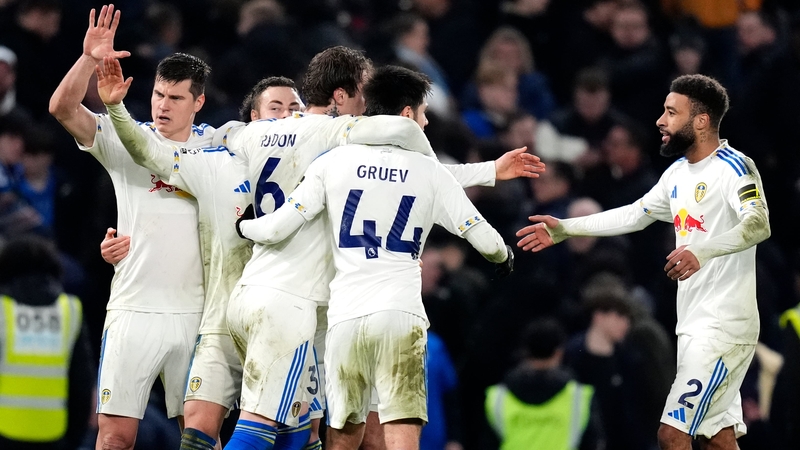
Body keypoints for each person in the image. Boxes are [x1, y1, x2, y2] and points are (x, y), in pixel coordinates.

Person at [100, 49, 539, 450]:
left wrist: (118, 110)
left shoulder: (250, 136)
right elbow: (414, 165)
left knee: (235, 433)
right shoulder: (339, 138)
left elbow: (159, 155)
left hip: (241, 300)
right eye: (363, 93)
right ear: (343, 96)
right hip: (298, 306)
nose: (368, 103)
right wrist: (487, 172)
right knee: (270, 428)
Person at [236, 64, 515, 450]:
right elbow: (480, 234)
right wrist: (503, 256)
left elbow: (277, 227)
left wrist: (243, 228)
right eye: (423, 112)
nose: (427, 120)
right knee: (400, 426)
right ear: (406, 115)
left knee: (343, 432)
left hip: (345, 317)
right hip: (399, 313)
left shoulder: (333, 163)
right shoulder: (429, 171)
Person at [516, 74, 771, 450]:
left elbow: (758, 222)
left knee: (672, 434)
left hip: (724, 324)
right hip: (694, 323)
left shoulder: (734, 168)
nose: (660, 121)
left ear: (700, 121)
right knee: (718, 438)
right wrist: (565, 228)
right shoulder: (678, 174)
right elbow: (634, 214)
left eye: (671, 112)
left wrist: (701, 251)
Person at [48, 5, 217, 449]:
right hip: (133, 310)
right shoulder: (127, 137)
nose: (162, 105)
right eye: (159, 94)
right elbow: (62, 108)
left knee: (201, 436)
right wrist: (88, 59)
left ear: (198, 102)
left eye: (176, 98)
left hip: (197, 314)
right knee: (115, 436)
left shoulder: (219, 147)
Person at [0, 234, 93, 450]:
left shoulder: (3, 310)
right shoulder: (69, 310)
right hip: (54, 436)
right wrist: (73, 440)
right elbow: (81, 383)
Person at [484, 318, 602, 450]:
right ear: (559, 353)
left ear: (525, 352)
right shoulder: (579, 398)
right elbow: (592, 442)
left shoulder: (497, 398)